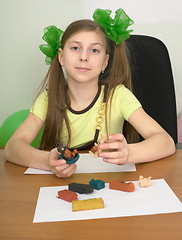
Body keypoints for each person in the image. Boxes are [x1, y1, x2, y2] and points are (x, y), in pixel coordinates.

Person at [4, 8, 175, 178]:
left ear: (105, 62)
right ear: (61, 57)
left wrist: (129, 153)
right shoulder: (48, 99)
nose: (84, 57)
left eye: (94, 50)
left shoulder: (118, 96)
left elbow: (166, 143)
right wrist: (48, 161)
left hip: (111, 186)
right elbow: (12, 147)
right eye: (75, 48)